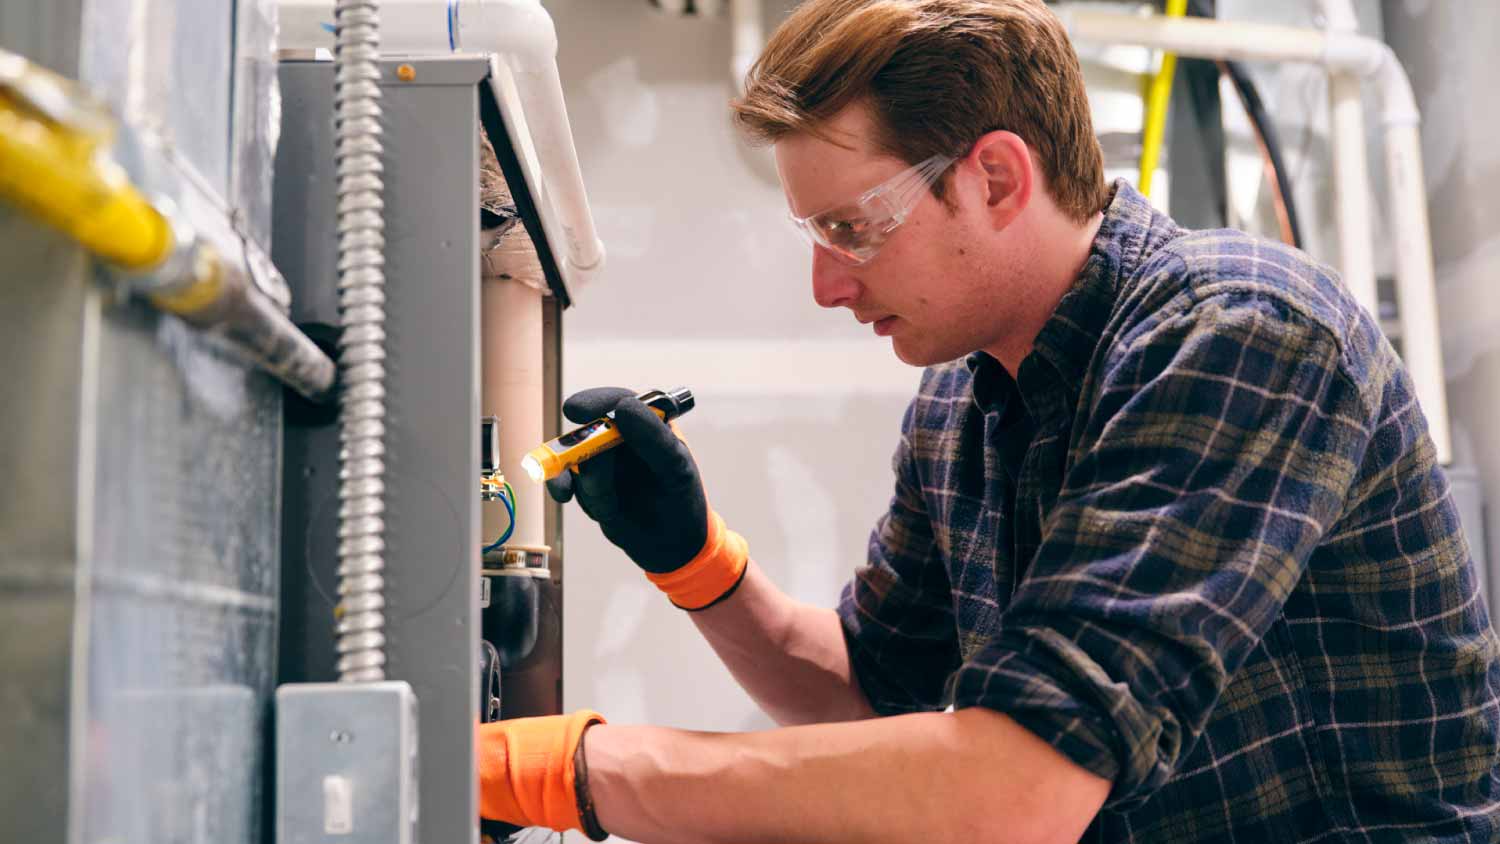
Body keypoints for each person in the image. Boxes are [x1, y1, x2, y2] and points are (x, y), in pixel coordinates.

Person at [476, 1, 1500, 841]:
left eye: (850, 228)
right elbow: (879, 695)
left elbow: (1016, 791)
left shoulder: (1240, 332)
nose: (828, 284)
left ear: (999, 177)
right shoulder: (963, 401)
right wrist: (698, 563)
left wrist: (581, 767)